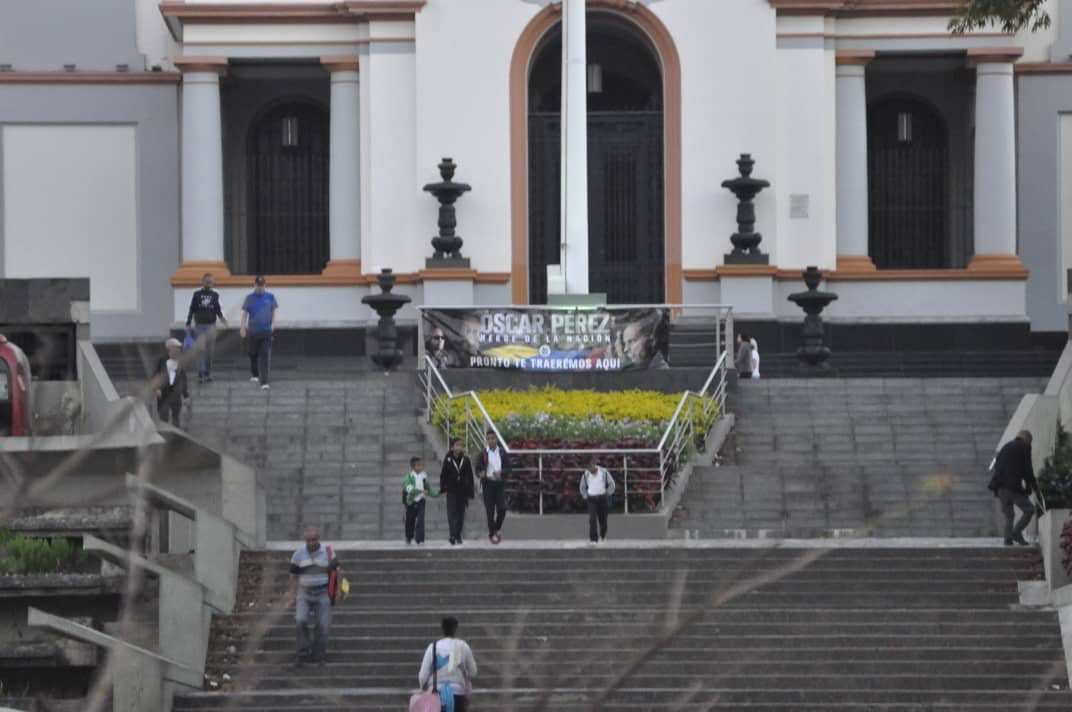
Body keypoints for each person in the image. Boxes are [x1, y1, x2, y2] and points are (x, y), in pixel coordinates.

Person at [286, 526, 339, 665]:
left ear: (318, 539)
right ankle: (302, 653)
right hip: (304, 592)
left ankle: (318, 655)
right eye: (308, 540)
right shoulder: (298, 554)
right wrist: (292, 595)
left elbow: (337, 571)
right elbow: (293, 576)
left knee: (323, 625)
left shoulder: (328, 552)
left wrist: (338, 591)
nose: (311, 543)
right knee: (300, 620)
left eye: (313, 540)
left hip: (323, 592)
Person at [989, 430, 1044, 546]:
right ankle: (1016, 532)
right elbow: (1027, 470)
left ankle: (1008, 540)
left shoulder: (1006, 447)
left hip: (1000, 488)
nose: (1030, 445)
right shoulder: (1024, 447)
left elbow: (997, 466)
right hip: (1012, 487)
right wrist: (1032, 488)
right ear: (1027, 439)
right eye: (1030, 442)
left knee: (1009, 516)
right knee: (1029, 510)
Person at [418, 617, 478, 712]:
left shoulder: (433, 647)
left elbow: (422, 677)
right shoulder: (463, 646)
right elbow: (473, 672)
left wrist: (422, 688)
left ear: (442, 629)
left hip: (436, 696)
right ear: (456, 629)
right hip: (458, 695)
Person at [184, 272, 227, 383]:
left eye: (211, 282)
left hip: (211, 326)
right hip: (199, 326)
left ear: (213, 283)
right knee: (200, 350)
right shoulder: (197, 294)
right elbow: (192, 309)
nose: (209, 283)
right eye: (207, 281)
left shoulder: (215, 295)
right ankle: (200, 373)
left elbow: (217, 309)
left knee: (209, 352)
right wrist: (188, 323)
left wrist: (222, 318)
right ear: (202, 282)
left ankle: (207, 372)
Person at [240, 276, 278, 391]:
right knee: (253, 353)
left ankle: (264, 381)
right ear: (255, 285)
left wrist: (273, 325)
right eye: (258, 285)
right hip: (253, 331)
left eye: (262, 285)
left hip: (266, 331)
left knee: (265, 355)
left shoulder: (270, 297)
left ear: (265, 285)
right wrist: (242, 327)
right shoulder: (249, 298)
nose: (260, 288)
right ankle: (255, 374)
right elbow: (245, 314)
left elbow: (273, 311)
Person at [476, 430, 511, 544]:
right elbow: (478, 468)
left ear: (497, 439)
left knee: (502, 509)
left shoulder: (502, 453)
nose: (491, 441)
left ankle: (497, 528)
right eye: (488, 439)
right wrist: (481, 473)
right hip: (488, 485)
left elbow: (509, 468)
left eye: (493, 438)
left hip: (499, 484)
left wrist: (501, 472)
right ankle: (492, 535)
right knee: (490, 512)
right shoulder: (483, 454)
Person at [440, 437, 476, 545]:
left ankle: (458, 535)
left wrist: (470, 492)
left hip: (462, 490)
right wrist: (444, 488)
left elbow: (470, 476)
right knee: (451, 513)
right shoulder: (448, 459)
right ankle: (452, 535)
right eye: (457, 445)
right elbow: (443, 475)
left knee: (461, 513)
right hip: (451, 490)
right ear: (452, 447)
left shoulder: (466, 459)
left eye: (461, 445)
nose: (459, 447)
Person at [580, 457, 616, 544]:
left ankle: (602, 536)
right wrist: (585, 496)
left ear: (594, 464)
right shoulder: (586, 474)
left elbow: (612, 484)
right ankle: (593, 539)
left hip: (602, 498)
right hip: (591, 499)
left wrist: (607, 493)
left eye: (591, 467)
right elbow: (582, 487)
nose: (590, 469)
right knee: (592, 519)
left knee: (603, 520)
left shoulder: (603, 472)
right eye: (588, 468)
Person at [153, 338, 188, 425]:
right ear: (170, 348)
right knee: (163, 417)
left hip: (175, 393)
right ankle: (164, 434)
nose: (179, 349)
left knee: (176, 417)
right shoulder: (162, 361)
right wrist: (157, 389)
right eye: (177, 347)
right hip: (164, 393)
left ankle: (175, 435)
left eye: (179, 348)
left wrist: (186, 395)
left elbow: (183, 378)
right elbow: (155, 375)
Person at [404, 456, 437, 545]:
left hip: (421, 501)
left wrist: (438, 493)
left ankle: (420, 539)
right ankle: (409, 537)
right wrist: (422, 491)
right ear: (413, 467)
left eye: (421, 465)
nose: (420, 467)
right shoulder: (409, 477)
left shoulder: (424, 476)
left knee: (421, 520)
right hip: (411, 501)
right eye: (418, 465)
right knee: (410, 520)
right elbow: (410, 489)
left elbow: (429, 490)